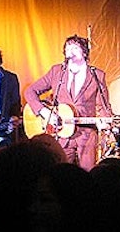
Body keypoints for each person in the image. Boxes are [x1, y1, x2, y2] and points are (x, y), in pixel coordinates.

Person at [23, 34, 113, 171]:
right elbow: (30, 92)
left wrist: (105, 121)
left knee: (87, 174)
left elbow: (104, 105)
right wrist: (44, 112)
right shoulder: (57, 72)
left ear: (84, 52)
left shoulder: (97, 75)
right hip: (61, 134)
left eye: (75, 47)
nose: (70, 50)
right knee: (60, 175)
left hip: (86, 135)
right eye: (67, 47)